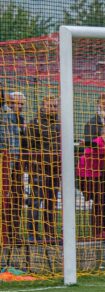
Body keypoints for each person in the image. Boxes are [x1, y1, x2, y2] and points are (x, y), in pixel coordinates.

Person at [76, 123, 105, 239]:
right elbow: (94, 145)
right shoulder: (98, 142)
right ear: (102, 134)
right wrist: (85, 143)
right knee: (99, 201)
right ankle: (98, 230)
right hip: (89, 176)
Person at [26, 95, 61, 244]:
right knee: (35, 200)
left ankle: (50, 234)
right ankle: (32, 233)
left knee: (51, 202)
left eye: (54, 106)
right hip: (38, 167)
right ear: (43, 106)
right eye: (49, 106)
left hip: (55, 168)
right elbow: (28, 146)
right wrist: (32, 164)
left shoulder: (59, 124)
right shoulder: (34, 124)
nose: (52, 108)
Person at [0, 91, 27, 244]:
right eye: (16, 103)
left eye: (22, 104)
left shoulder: (17, 118)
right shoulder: (7, 116)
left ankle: (13, 234)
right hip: (7, 160)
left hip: (15, 161)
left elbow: (18, 141)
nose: (19, 106)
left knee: (16, 197)